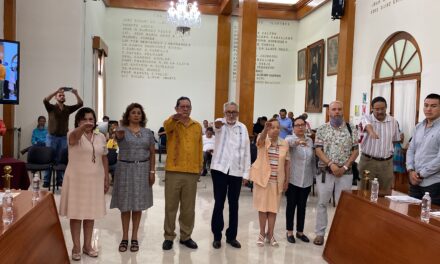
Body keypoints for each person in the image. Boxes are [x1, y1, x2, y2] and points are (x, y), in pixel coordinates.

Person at [59, 107, 109, 261]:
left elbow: (104, 157)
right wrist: (82, 128)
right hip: (76, 180)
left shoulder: (100, 137)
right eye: (85, 119)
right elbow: (73, 139)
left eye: (91, 119)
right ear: (78, 121)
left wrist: (106, 178)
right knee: (76, 214)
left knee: (90, 213)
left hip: (95, 180)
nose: (89, 122)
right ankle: (75, 246)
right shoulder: (73, 134)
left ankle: (87, 245)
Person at [110, 103, 156, 253]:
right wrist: (117, 130)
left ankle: (134, 237)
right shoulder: (122, 131)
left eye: (139, 113)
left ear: (142, 116)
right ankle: (124, 237)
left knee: (138, 205)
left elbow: (152, 153)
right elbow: (116, 137)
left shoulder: (148, 132)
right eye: (133, 112)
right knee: (125, 205)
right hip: (125, 169)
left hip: (143, 169)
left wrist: (152, 172)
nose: (136, 115)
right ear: (128, 115)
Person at [313, 101, 359, 246]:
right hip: (326, 172)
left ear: (343, 110)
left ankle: (341, 233)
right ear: (329, 112)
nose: (337, 112)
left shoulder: (351, 128)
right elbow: (318, 150)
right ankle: (320, 234)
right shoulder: (322, 129)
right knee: (322, 203)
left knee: (343, 205)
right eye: (334, 109)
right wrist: (331, 164)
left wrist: (344, 167)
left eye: (339, 109)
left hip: (346, 173)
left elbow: (355, 151)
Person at [162, 96, 203, 250]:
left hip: (191, 172)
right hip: (173, 170)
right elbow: (166, 127)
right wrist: (174, 118)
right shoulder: (172, 123)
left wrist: (200, 166)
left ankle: (186, 236)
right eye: (182, 106)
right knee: (171, 206)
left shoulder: (197, 126)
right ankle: (168, 236)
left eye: (188, 107)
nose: (185, 109)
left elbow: (199, 147)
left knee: (188, 207)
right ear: (177, 108)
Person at [210, 102, 251, 249]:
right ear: (224, 112)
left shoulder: (243, 128)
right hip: (219, 170)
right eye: (228, 112)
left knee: (234, 205)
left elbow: (247, 151)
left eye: (234, 112)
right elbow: (214, 126)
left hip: (236, 171)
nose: (231, 115)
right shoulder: (220, 124)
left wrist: (247, 173)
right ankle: (216, 236)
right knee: (219, 203)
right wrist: (217, 124)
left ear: (238, 113)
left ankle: (231, 236)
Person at [250, 118, 290, 247]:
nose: (275, 130)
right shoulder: (263, 140)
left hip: (277, 181)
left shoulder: (284, 144)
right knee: (262, 208)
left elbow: (287, 164)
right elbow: (260, 140)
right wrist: (264, 130)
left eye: (277, 127)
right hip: (263, 180)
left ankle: (270, 234)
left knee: (273, 209)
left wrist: (287, 181)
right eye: (272, 127)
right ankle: (261, 233)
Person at [358, 96, 400, 194]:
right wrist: (371, 132)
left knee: (385, 193)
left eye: (382, 108)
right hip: (368, 162)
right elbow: (367, 125)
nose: (380, 111)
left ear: (386, 108)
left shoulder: (393, 121)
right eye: (377, 109)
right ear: (372, 109)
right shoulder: (366, 118)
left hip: (386, 164)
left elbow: (395, 140)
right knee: (365, 192)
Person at [44, 87, 83, 187]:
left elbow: (80, 104)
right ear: (56, 98)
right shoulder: (51, 108)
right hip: (51, 137)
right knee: (49, 158)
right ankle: (46, 181)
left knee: (60, 159)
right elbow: (45, 100)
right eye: (60, 95)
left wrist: (76, 93)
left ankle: (59, 180)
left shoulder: (67, 109)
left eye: (63, 95)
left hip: (63, 137)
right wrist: (55, 91)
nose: (62, 96)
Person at [284, 117, 315, 243]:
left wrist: (314, 176)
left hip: (306, 179)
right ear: (293, 127)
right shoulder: (289, 139)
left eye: (302, 125)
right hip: (293, 179)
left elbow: (312, 160)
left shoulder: (310, 141)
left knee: (302, 206)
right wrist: (298, 142)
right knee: (291, 206)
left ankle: (300, 232)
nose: (300, 127)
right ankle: (289, 231)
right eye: (297, 125)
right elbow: (289, 144)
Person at [406, 93, 440, 205]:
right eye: (426, 105)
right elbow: (411, 150)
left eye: (433, 106)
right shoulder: (419, 126)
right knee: (411, 215)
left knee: (429, 220)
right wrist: (411, 170)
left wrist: (421, 174)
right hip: (414, 182)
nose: (428, 109)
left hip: (433, 184)